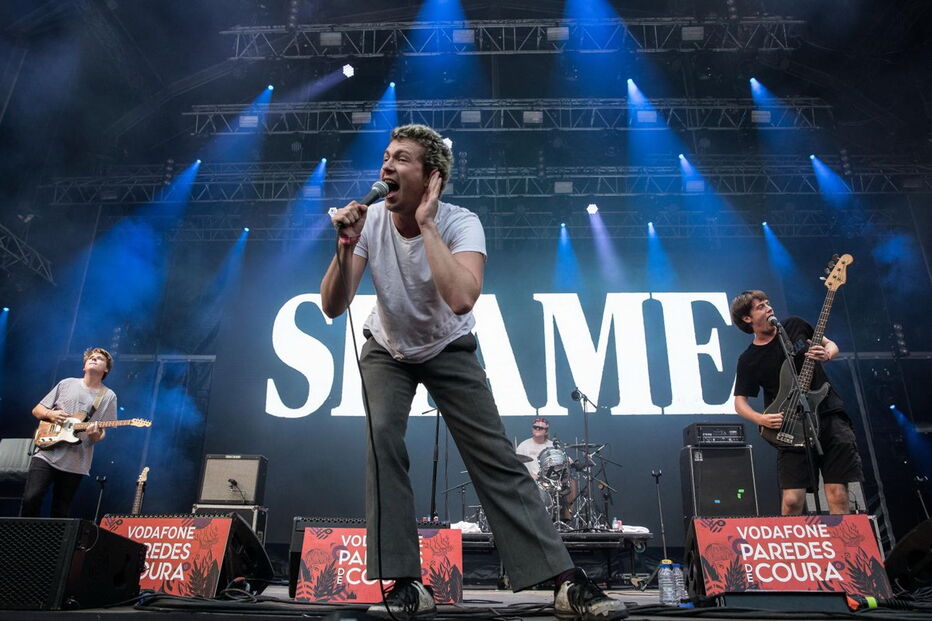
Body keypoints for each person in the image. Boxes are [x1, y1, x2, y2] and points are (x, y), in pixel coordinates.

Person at [321, 124, 627, 620]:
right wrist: (344, 244)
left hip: (448, 346)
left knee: (495, 456)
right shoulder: (370, 222)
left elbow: (462, 297)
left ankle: (566, 581)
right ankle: (405, 581)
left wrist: (427, 224)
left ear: (432, 178)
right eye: (386, 157)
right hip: (388, 348)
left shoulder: (461, 223)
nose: (387, 166)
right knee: (382, 441)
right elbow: (334, 306)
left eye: (402, 158)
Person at [730, 290, 863, 515]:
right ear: (747, 318)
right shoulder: (748, 359)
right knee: (792, 499)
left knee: (838, 493)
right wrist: (761, 419)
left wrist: (827, 354)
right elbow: (739, 402)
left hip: (828, 414)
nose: (769, 308)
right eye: (760, 307)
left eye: (768, 303)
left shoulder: (795, 325)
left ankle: (841, 538)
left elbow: (831, 344)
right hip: (791, 426)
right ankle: (790, 537)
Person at [21, 347, 117, 518]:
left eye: (100, 359)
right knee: (31, 498)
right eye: (91, 357)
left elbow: (101, 433)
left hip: (76, 462)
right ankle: (24, 535)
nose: (94, 359)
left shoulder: (108, 396)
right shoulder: (67, 384)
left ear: (106, 369)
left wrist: (95, 434)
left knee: (61, 510)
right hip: (47, 452)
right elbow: (37, 410)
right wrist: (50, 414)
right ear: (84, 366)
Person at [516, 417, 578, 521]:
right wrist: (530, 475)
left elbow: (564, 459)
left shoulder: (552, 445)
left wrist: (570, 462)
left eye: (540, 428)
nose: (537, 429)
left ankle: (568, 515)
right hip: (532, 479)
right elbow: (517, 465)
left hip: (552, 480)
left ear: (546, 431)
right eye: (535, 427)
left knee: (571, 482)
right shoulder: (524, 445)